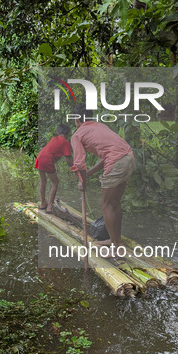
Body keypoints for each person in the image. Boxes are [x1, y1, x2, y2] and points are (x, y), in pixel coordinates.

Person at [69, 104, 135, 253]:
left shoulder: (77, 134)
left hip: (117, 161)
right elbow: (106, 157)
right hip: (129, 157)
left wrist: (83, 183)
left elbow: (79, 164)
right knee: (114, 203)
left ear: (77, 120)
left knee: (105, 204)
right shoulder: (100, 126)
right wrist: (88, 175)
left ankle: (116, 247)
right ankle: (115, 241)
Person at [35, 123, 73, 213]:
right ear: (68, 134)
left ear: (57, 132)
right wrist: (75, 169)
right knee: (55, 182)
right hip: (47, 159)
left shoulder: (53, 139)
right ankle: (49, 207)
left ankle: (43, 203)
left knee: (43, 181)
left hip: (39, 157)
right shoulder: (65, 142)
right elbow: (68, 161)